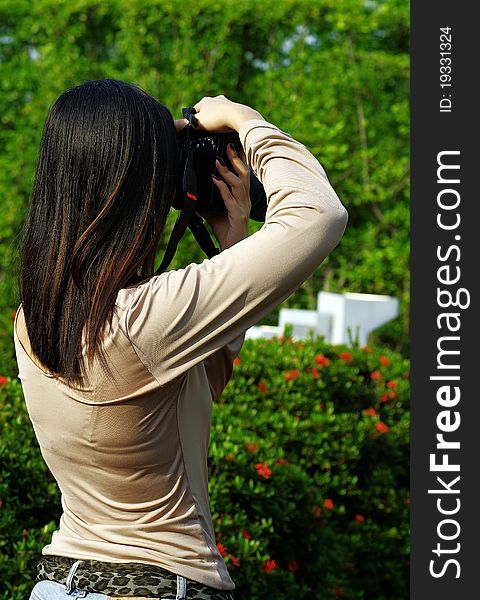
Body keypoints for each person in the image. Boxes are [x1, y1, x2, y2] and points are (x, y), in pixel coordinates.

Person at [14, 79, 348, 600]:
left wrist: (232, 242)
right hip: (157, 585)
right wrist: (243, 119)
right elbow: (318, 215)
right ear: (135, 189)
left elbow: (201, 379)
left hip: (61, 581)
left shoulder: (34, 319)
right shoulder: (147, 318)